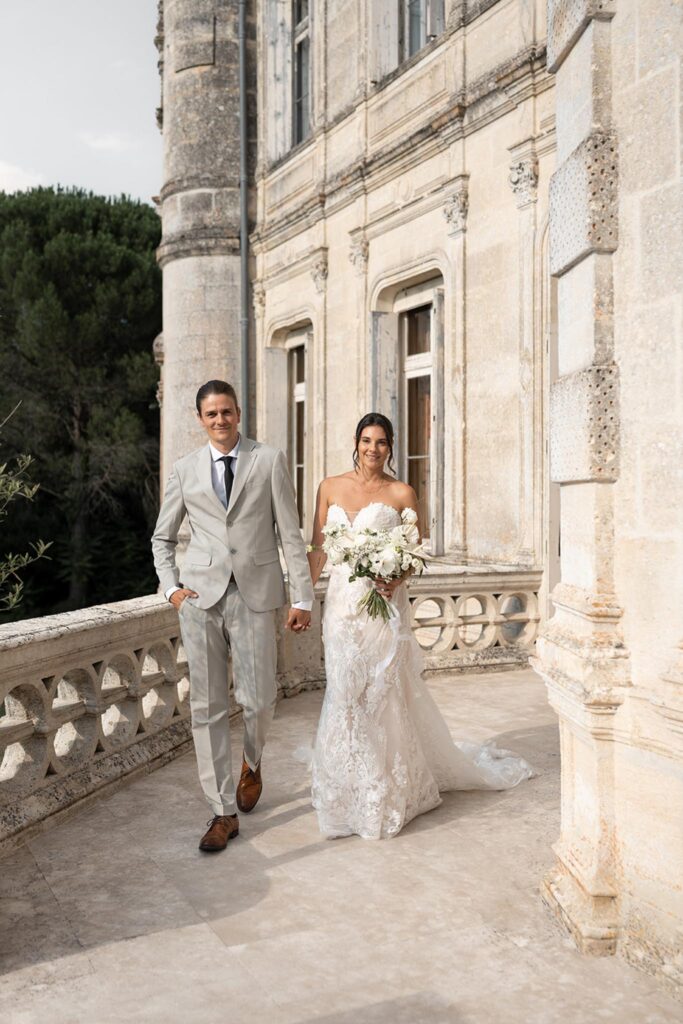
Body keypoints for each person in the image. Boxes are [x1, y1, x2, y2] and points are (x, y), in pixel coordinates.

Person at [306, 412, 534, 840]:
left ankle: (384, 790)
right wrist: (302, 598)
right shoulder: (330, 486)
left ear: (390, 448)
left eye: (382, 442)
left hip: (382, 605)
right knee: (343, 689)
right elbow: (318, 545)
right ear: (355, 443)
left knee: (380, 692)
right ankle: (344, 787)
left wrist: (395, 577)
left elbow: (416, 549)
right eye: (366, 440)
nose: (373, 449)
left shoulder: (402, 493)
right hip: (340, 607)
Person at [152, 380, 313, 852]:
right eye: (211, 414)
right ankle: (222, 812)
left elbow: (290, 533)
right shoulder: (184, 470)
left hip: (256, 594)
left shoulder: (268, 460)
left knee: (260, 698)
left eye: (226, 412)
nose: (220, 420)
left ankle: (252, 759)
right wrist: (170, 590)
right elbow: (162, 539)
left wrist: (302, 596)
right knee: (206, 708)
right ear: (200, 419)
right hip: (200, 598)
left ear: (238, 413)